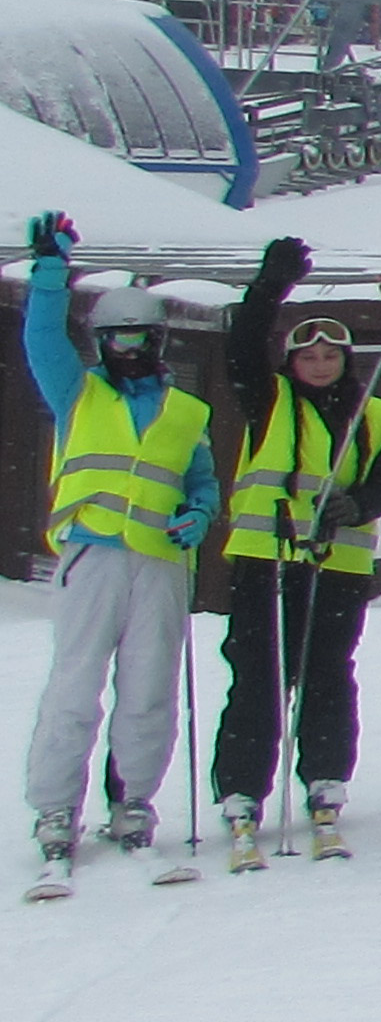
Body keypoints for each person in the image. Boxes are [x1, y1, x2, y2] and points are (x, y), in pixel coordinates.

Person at [21, 213, 218, 881]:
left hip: (159, 560)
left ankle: (134, 799)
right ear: (100, 342)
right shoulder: (78, 393)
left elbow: (201, 480)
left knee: (148, 686)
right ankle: (55, 807)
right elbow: (41, 337)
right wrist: (52, 271)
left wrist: (198, 516)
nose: (127, 348)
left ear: (157, 338)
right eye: (115, 337)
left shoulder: (186, 410)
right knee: (75, 686)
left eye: (138, 336)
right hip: (94, 553)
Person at [210, 237, 381, 864]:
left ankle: (325, 776)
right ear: (292, 364)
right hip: (267, 557)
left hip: (337, 563)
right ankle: (242, 786)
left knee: (326, 674)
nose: (320, 365)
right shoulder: (269, 401)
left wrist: (362, 505)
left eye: (331, 355)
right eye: (309, 356)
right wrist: (268, 290)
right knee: (260, 673)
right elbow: (241, 348)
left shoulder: (373, 411)